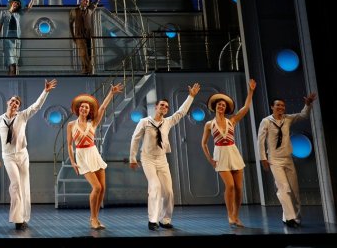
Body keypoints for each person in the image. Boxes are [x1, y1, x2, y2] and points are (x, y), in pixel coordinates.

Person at [129, 83, 201, 230]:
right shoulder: (145, 122)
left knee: (168, 191)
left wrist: (191, 96)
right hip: (147, 159)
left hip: (162, 159)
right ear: (156, 107)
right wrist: (132, 158)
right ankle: (153, 220)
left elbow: (181, 112)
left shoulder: (167, 122)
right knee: (155, 187)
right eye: (162, 105)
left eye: (166, 106)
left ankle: (165, 219)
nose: (164, 107)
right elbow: (135, 139)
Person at [0, 78, 58, 230]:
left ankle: (24, 216)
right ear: (8, 102)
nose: (14, 104)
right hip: (8, 156)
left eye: (17, 103)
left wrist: (45, 92)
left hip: (22, 155)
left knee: (24, 185)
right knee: (15, 185)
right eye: (13, 101)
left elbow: (36, 106)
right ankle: (17, 219)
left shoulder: (22, 116)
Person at [67, 83, 124, 230]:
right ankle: (92, 218)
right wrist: (73, 162)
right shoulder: (71, 125)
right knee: (97, 187)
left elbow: (103, 108)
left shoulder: (93, 123)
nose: (84, 109)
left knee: (102, 189)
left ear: (89, 110)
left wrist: (111, 93)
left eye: (87, 107)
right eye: (82, 106)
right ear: (78, 108)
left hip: (94, 154)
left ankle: (96, 218)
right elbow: (69, 145)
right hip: (82, 156)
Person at [201, 78, 257, 228]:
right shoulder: (209, 124)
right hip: (220, 154)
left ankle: (236, 216)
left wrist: (250, 91)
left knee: (239, 188)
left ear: (226, 109)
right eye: (219, 104)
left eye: (223, 105)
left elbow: (245, 108)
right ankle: (229, 214)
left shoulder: (232, 120)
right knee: (230, 186)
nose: (221, 106)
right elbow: (204, 143)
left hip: (233, 152)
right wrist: (210, 160)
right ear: (215, 107)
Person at [257, 92, 317, 228]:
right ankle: (290, 218)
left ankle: (294, 216)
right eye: (277, 105)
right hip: (274, 160)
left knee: (294, 190)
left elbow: (303, 115)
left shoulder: (288, 119)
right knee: (283, 188)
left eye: (282, 105)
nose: (280, 107)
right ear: (272, 106)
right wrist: (263, 159)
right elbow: (260, 142)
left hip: (288, 158)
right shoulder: (266, 121)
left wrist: (307, 104)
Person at [70, 0, 108, 75]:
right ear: (81, 1)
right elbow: (70, 24)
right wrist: (73, 37)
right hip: (79, 36)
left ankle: (85, 70)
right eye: (84, 0)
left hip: (88, 36)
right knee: (83, 53)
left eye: (87, 1)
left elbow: (97, 0)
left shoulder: (90, 9)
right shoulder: (75, 11)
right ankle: (89, 70)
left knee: (89, 54)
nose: (86, 2)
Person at [0, 0, 35, 76]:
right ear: (11, 3)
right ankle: (12, 75)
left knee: (15, 58)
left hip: (16, 37)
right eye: (15, 3)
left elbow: (29, 8)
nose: (16, 4)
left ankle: (12, 75)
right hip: (7, 37)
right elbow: (0, 25)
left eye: (18, 4)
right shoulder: (3, 12)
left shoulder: (18, 13)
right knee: (11, 59)